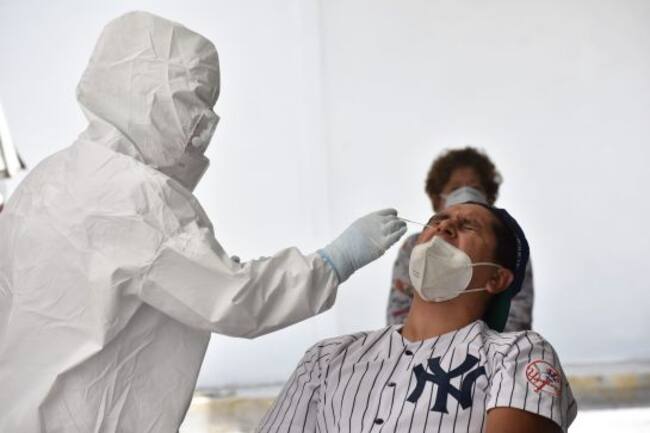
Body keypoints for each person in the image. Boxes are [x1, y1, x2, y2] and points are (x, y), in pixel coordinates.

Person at [0, 12, 407, 433]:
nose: (200, 130)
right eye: (193, 106)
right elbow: (235, 298)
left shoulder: (47, 179)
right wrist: (334, 261)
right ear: (150, 98)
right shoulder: (137, 198)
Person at [257, 202, 577, 433]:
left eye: (468, 226)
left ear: (496, 278)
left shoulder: (516, 354)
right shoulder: (327, 357)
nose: (443, 227)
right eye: (436, 220)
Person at [388, 147, 534, 331]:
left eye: (475, 188)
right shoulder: (413, 244)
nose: (445, 227)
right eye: (455, 188)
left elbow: (518, 316)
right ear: (438, 200)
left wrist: (481, 343)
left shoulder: (511, 250)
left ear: (497, 278)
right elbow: (398, 314)